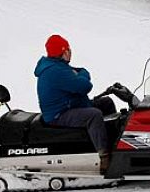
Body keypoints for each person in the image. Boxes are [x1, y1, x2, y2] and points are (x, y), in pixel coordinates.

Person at [34, 35, 114, 174]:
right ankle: (104, 157)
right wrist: (83, 74)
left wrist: (80, 73)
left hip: (69, 106)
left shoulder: (56, 66)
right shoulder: (55, 71)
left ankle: (112, 143)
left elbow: (78, 74)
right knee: (94, 115)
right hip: (59, 114)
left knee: (106, 102)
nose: (71, 52)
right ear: (63, 52)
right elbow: (84, 86)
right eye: (68, 50)